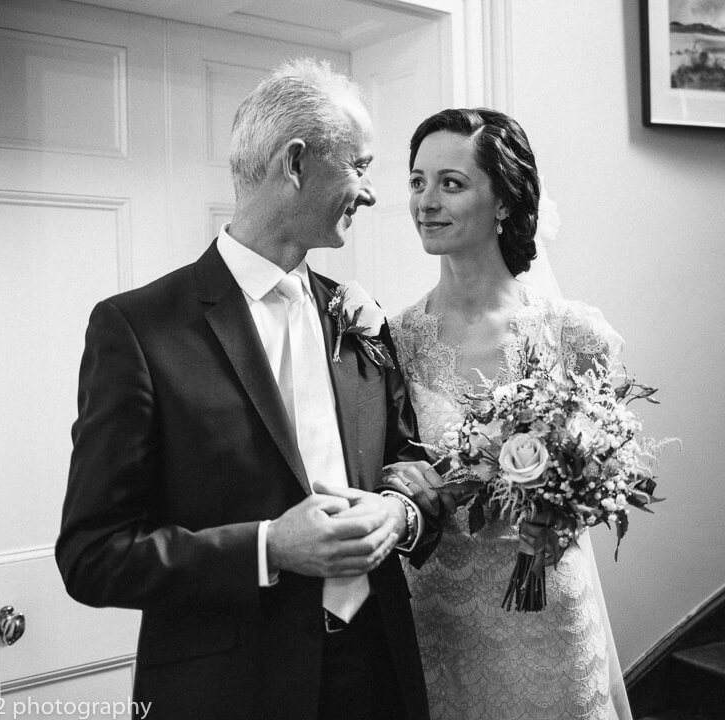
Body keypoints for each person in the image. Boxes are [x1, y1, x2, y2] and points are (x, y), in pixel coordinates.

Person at [55, 58, 442, 720]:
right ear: (295, 164)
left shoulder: (358, 313)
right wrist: (269, 547)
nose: (372, 194)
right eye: (360, 165)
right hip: (231, 691)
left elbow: (412, 458)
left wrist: (399, 514)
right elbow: (93, 556)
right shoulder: (138, 330)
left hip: (378, 675)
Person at [386, 108, 634, 719]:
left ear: (502, 202)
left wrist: (564, 513)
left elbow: (613, 466)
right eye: (417, 181)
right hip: (438, 612)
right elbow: (382, 461)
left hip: (546, 606)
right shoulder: (392, 340)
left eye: (451, 182)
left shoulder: (573, 332)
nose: (426, 201)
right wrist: (400, 481)